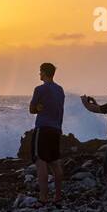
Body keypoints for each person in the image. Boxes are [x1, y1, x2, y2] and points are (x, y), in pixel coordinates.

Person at [28, 62, 65, 203]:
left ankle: (43, 198)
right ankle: (58, 197)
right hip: (56, 128)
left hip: (43, 128)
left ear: (44, 72)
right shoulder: (60, 90)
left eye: (40, 71)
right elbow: (60, 110)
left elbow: (32, 110)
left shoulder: (40, 89)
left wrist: (37, 108)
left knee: (40, 161)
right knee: (55, 163)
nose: (39, 74)